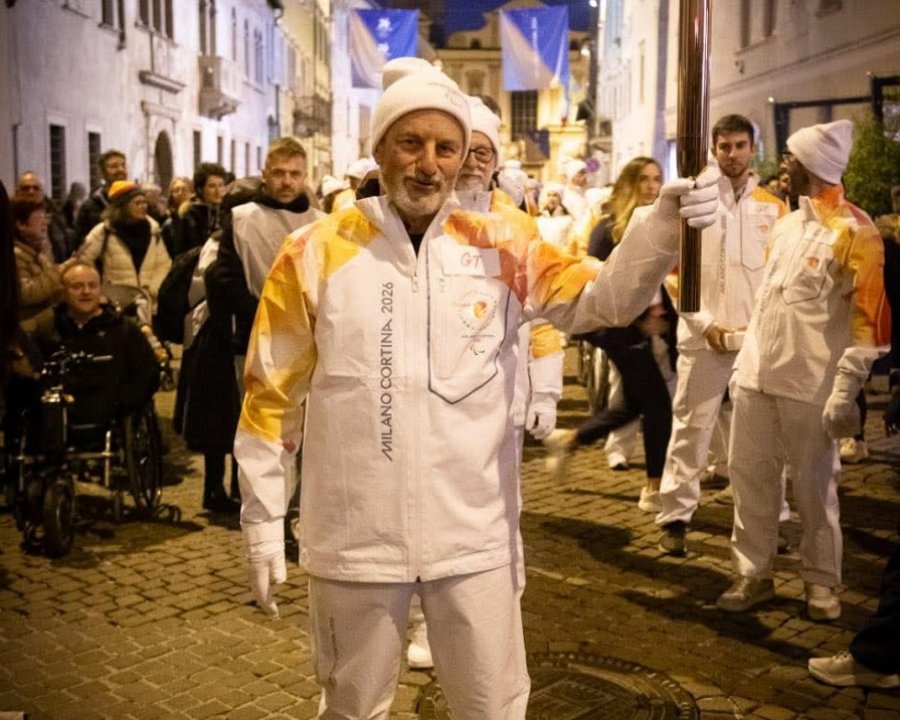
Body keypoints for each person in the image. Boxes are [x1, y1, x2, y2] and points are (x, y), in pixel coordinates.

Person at [234, 56, 719, 719]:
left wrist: (662, 226)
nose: (429, 162)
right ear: (379, 149)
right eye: (411, 142)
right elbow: (268, 396)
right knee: (351, 708)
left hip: (474, 538)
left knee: (491, 708)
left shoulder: (503, 242)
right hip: (353, 539)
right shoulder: (314, 252)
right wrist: (263, 521)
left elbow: (600, 299)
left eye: (445, 147)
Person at [716, 120, 890, 621]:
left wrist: (844, 392)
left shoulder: (857, 231)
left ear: (812, 165)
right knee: (751, 483)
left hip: (809, 387)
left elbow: (871, 321)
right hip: (755, 379)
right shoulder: (788, 225)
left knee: (815, 491)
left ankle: (821, 585)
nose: (782, 166)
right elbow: (773, 307)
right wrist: (737, 346)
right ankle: (754, 574)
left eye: (791, 158)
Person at [656, 114, 788, 554]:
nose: (731, 155)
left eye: (739, 146)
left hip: (755, 340)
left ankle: (772, 520)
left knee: (763, 436)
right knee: (692, 428)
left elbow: (780, 277)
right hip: (702, 337)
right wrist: (703, 323)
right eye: (724, 147)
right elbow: (675, 275)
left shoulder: (774, 206)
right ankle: (675, 516)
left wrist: (763, 329)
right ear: (713, 150)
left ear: (754, 150)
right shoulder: (695, 204)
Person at [544, 157, 677, 513]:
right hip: (616, 328)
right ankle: (653, 487)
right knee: (658, 402)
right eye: (644, 180)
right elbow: (593, 282)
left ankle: (572, 439)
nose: (651, 186)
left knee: (633, 403)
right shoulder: (609, 227)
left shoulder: (656, 224)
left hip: (643, 325)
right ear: (628, 184)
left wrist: (659, 315)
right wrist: (638, 322)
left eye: (657, 178)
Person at [207, 137, 320, 384]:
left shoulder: (321, 223)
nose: (287, 181)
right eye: (279, 173)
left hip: (309, 340)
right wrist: (267, 316)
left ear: (304, 177)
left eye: (294, 173)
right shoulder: (242, 219)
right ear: (264, 174)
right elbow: (228, 279)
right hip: (255, 336)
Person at [35, 262, 159, 429]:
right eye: (77, 286)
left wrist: (121, 401)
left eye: (92, 286)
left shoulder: (123, 329)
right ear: (63, 292)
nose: (86, 292)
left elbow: (147, 374)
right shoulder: (48, 330)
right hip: (58, 410)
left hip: (110, 409)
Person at [76, 180, 172, 313]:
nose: (143, 206)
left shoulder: (153, 230)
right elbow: (83, 260)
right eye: (137, 203)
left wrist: (154, 288)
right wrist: (100, 289)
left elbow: (164, 263)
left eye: (144, 202)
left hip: (147, 304)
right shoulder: (105, 231)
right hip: (115, 305)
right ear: (123, 206)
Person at [11, 196, 70, 333]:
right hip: (27, 330)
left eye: (46, 216)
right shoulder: (14, 254)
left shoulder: (39, 250)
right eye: (39, 217)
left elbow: (49, 289)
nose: (46, 222)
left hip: (43, 325)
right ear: (21, 224)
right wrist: (58, 271)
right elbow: (25, 293)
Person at [73, 149, 128, 250]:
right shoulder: (90, 207)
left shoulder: (137, 202)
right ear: (103, 173)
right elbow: (80, 242)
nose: (120, 169)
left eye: (123, 165)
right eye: (114, 166)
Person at [173, 163, 228, 257]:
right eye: (211, 186)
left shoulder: (227, 211)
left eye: (221, 185)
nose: (218, 191)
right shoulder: (189, 214)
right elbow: (182, 252)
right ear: (200, 189)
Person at [16, 171, 70, 263]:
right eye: (26, 188)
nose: (31, 192)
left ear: (42, 192)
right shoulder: (9, 219)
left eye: (36, 188)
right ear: (17, 192)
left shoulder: (55, 215)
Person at [160, 176, 194, 257]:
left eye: (184, 189)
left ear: (191, 191)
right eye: (176, 190)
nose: (180, 193)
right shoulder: (168, 223)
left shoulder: (196, 216)